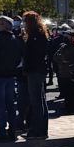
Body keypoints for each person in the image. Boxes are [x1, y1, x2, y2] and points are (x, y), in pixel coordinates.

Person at [0, 16, 24, 142]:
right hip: (10, 75)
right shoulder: (15, 39)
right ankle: (12, 129)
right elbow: (19, 58)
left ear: (4, 25)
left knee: (0, 105)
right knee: (10, 104)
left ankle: (1, 131)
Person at [21, 11, 50, 139]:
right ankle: (41, 130)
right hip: (38, 70)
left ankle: (38, 131)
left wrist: (27, 67)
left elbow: (33, 55)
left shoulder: (35, 35)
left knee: (36, 101)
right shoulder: (39, 33)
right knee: (40, 100)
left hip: (35, 71)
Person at [53, 29, 74, 115]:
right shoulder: (63, 46)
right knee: (67, 92)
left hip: (73, 73)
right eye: (65, 36)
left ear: (73, 37)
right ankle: (68, 107)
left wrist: (68, 61)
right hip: (64, 73)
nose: (65, 38)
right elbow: (55, 57)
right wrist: (63, 60)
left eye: (68, 36)